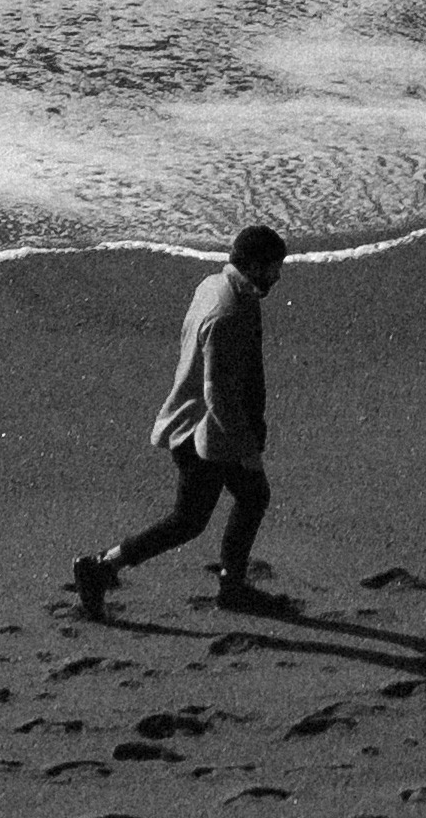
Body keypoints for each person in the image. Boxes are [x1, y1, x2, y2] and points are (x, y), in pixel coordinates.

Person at [71, 224, 284, 615]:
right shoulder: (227, 313)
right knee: (198, 517)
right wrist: (246, 450)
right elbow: (218, 396)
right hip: (206, 433)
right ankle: (102, 567)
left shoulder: (215, 286)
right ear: (254, 266)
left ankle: (229, 585)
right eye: (274, 267)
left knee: (235, 503)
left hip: (204, 425)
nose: (278, 276)